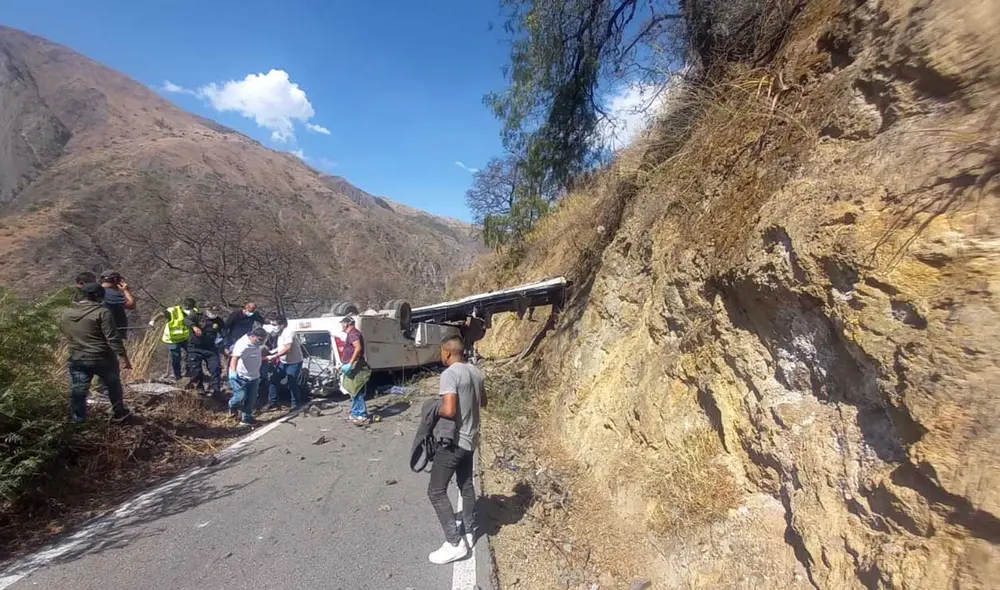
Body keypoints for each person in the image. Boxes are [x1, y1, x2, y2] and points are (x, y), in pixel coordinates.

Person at [427, 335, 486, 565]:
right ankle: (469, 532)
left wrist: (434, 408)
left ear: (447, 352)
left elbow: (449, 410)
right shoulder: (475, 372)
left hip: (454, 442)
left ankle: (454, 543)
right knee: (466, 485)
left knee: (436, 491)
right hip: (471, 440)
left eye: (442, 352)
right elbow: (483, 402)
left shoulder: (449, 374)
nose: (441, 356)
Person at [60, 282, 133, 423]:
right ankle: (119, 413)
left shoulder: (67, 312)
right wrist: (124, 358)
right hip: (102, 357)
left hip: (78, 357)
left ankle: (78, 420)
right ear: (98, 296)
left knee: (79, 391)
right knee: (113, 386)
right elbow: (113, 338)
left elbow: (64, 331)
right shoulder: (102, 312)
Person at [148, 298, 197, 381]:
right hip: (172, 338)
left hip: (185, 337)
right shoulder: (173, 311)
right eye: (188, 308)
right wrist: (153, 321)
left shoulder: (194, 311)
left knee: (192, 353)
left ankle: (189, 373)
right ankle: (178, 376)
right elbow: (161, 314)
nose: (189, 310)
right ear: (183, 306)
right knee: (176, 357)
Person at [263, 315, 305, 411]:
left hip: (294, 362)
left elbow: (287, 348)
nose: (273, 326)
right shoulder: (280, 333)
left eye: (275, 324)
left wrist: (274, 356)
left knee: (291, 381)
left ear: (281, 324)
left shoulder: (288, 332)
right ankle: (272, 402)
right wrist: (273, 351)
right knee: (273, 380)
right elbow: (281, 346)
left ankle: (295, 403)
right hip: (283, 362)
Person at [228, 327, 267, 425]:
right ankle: (232, 406)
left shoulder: (257, 343)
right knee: (240, 397)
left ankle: (246, 418)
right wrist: (233, 373)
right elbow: (234, 358)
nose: (261, 342)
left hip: (254, 376)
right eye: (260, 340)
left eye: (263, 340)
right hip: (241, 376)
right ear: (253, 337)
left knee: (251, 399)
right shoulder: (243, 344)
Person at [184, 310, 224, 397]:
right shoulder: (197, 316)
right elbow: (186, 320)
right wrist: (194, 327)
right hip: (195, 347)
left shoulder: (218, 321)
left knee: (215, 369)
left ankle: (216, 391)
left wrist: (224, 345)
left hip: (210, 348)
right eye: (211, 311)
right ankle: (199, 388)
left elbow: (224, 333)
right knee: (195, 370)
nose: (213, 314)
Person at [339, 316, 371, 424]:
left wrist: (350, 363)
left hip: (356, 366)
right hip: (354, 365)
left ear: (347, 324)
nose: (341, 325)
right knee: (353, 391)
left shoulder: (353, 334)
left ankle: (361, 414)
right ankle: (354, 413)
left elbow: (358, 348)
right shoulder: (351, 334)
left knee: (357, 390)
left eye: (342, 323)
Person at [99, 270, 136, 340]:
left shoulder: (96, 291)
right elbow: (131, 305)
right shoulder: (112, 293)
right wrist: (126, 290)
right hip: (113, 334)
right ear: (115, 280)